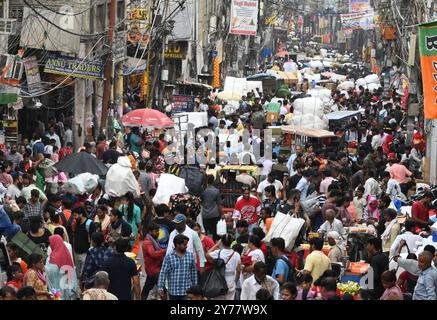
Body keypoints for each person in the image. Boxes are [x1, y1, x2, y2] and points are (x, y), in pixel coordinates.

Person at [158, 234, 198, 300]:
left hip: (187, 291)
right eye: (184, 244)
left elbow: (193, 274)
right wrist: (160, 287)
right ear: (177, 244)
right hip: (173, 292)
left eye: (186, 244)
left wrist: (195, 288)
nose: (186, 246)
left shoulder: (190, 256)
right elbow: (163, 273)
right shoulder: (169, 257)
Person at [206, 234, 241, 300]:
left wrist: (216, 245)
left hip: (218, 281)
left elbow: (207, 255)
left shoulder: (218, 253)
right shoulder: (236, 254)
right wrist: (235, 280)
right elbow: (238, 270)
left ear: (221, 242)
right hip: (231, 281)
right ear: (231, 242)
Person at [45, 234, 77, 300]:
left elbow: (49, 279)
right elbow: (72, 276)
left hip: (56, 292)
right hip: (67, 291)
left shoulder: (50, 259)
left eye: (50, 243)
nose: (50, 245)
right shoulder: (67, 256)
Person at [141, 222, 166, 300]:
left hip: (153, 269)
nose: (158, 233)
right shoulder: (147, 242)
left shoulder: (154, 240)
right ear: (150, 231)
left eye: (158, 230)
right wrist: (165, 251)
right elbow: (153, 254)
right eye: (156, 231)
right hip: (154, 270)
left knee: (146, 289)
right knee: (162, 289)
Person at [72, 206, 97, 279]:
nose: (74, 217)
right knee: (77, 272)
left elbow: (93, 238)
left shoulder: (89, 224)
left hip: (85, 252)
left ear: (81, 214)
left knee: (84, 273)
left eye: (75, 215)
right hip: (76, 251)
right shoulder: (77, 223)